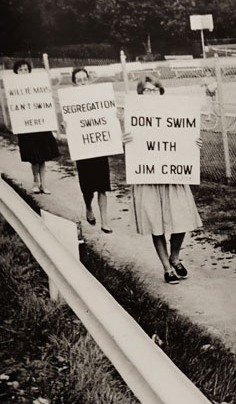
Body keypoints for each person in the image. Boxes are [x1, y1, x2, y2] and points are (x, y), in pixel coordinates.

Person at [123, 76, 202, 285]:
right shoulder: (134, 117)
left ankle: (175, 257)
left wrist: (193, 143)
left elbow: (184, 135)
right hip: (148, 177)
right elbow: (131, 147)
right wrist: (126, 141)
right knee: (155, 222)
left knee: (181, 217)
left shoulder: (175, 112)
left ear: (161, 92)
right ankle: (166, 267)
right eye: (147, 90)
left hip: (173, 175)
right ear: (140, 94)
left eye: (155, 90)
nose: (151, 94)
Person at [71, 68, 113, 233]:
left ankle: (105, 221)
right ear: (74, 83)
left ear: (88, 80)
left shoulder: (98, 97)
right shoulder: (71, 101)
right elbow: (70, 123)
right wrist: (66, 126)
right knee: (88, 188)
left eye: (84, 79)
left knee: (103, 187)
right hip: (83, 150)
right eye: (78, 80)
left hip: (99, 147)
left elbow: (106, 116)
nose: (82, 82)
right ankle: (88, 206)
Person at [12, 59, 59, 194]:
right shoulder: (14, 89)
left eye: (26, 69)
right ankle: (35, 181)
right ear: (16, 72)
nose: (23, 72)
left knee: (42, 157)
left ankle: (44, 184)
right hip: (27, 128)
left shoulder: (38, 84)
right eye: (20, 70)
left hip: (40, 126)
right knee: (34, 158)